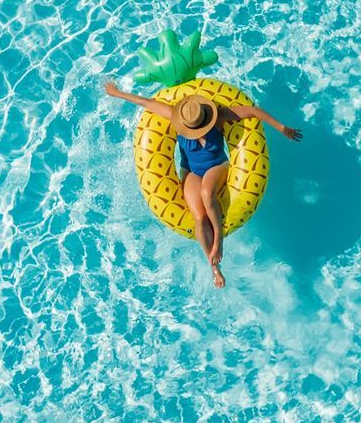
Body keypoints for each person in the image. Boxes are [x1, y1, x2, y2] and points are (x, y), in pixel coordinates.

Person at [102, 81, 301, 287]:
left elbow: (252, 111)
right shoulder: (175, 116)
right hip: (191, 172)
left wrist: (282, 128)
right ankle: (215, 269)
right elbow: (147, 103)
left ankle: (219, 242)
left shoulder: (219, 116)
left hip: (217, 166)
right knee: (198, 217)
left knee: (208, 193)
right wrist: (117, 93)